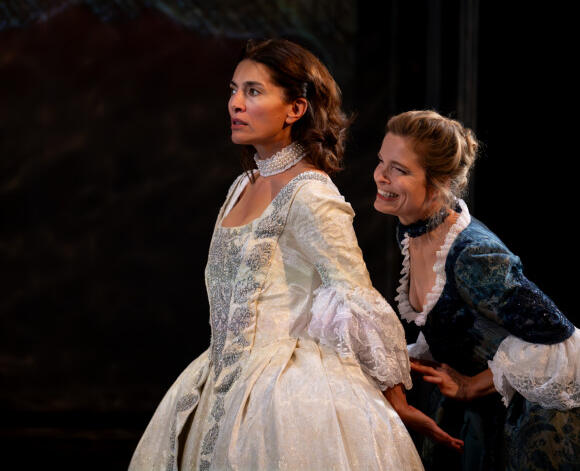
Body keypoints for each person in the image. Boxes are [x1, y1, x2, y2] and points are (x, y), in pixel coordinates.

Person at [129, 41, 462, 470]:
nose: (235, 104)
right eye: (234, 90)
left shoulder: (310, 193)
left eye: (253, 91)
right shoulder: (241, 185)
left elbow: (354, 296)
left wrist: (394, 397)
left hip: (282, 398)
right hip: (219, 382)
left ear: (295, 109)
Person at [373, 109, 580, 470]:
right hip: (468, 416)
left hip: (521, 423)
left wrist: (471, 385)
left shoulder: (473, 255)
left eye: (399, 170)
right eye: (381, 162)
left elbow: (561, 338)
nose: (380, 176)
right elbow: (456, 327)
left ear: (438, 183)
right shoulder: (412, 229)